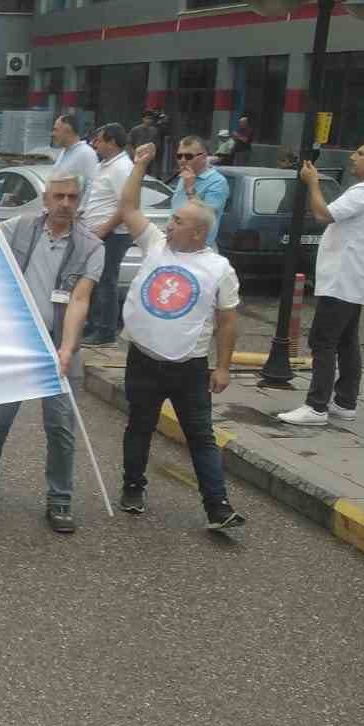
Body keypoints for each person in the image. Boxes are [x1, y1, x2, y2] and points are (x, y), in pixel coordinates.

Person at [114, 143, 245, 532]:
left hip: (190, 368)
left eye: (177, 221)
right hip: (143, 359)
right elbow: (129, 208)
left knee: (201, 437)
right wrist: (139, 166)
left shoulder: (219, 268)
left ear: (199, 231)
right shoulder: (156, 245)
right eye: (170, 220)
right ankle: (133, 488)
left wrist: (223, 368)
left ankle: (217, 508)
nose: (168, 225)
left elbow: (227, 322)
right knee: (139, 426)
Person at [0, 173, 101, 532]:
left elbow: (80, 299)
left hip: (60, 344)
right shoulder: (19, 228)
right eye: (58, 196)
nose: (65, 204)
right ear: (45, 198)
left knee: (60, 426)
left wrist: (67, 348)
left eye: (72, 197)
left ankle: (60, 498)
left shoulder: (91, 246)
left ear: (80, 200)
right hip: (17, 343)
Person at [278, 137, 364, 426]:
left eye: (360, 153)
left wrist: (313, 182)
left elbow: (323, 214)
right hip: (356, 277)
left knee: (323, 340)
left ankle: (316, 406)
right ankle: (345, 401)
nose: (352, 158)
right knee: (346, 341)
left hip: (343, 277)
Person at [79, 122, 133, 346]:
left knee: (106, 281)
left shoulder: (122, 168)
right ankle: (92, 325)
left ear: (112, 142)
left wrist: (105, 228)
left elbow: (126, 204)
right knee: (93, 279)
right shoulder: (105, 165)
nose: (94, 144)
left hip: (112, 234)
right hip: (94, 233)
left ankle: (105, 331)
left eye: (99, 140)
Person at [169, 134, 230, 244]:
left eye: (188, 156)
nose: (182, 160)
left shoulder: (217, 182)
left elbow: (206, 217)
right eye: (179, 156)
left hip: (198, 249)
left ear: (203, 157)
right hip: (175, 245)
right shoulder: (185, 176)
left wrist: (190, 189)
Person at [50, 113, 99, 189]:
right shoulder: (64, 151)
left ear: (68, 130)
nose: (53, 134)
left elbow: (91, 187)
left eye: (56, 130)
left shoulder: (86, 153)